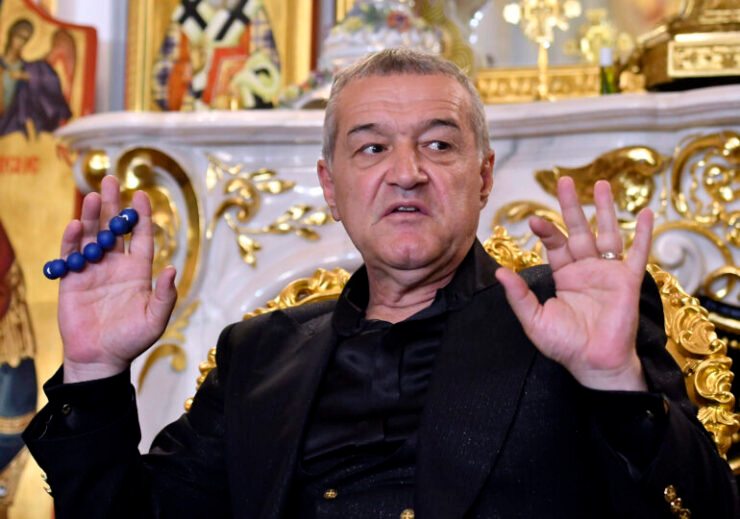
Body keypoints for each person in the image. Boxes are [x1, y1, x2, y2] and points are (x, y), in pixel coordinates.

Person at [23, 49, 738, 518]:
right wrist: (95, 370)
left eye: (439, 144)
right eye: (371, 147)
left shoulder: (569, 313)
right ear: (331, 187)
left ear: (483, 176)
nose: (406, 172)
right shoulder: (259, 353)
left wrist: (615, 381)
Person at [0, 18, 72, 137]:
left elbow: (50, 82)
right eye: (18, 36)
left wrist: (26, 77)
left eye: (25, 39)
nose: (20, 42)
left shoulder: (29, 68)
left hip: (13, 126)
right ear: (11, 34)